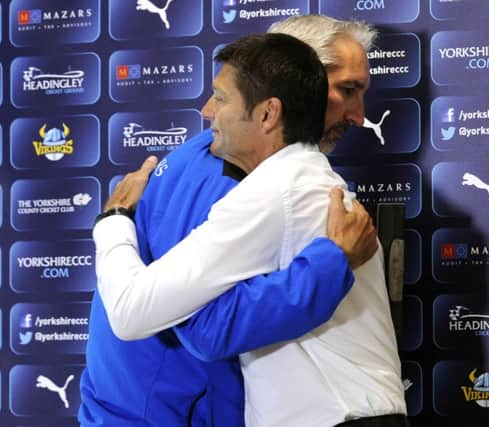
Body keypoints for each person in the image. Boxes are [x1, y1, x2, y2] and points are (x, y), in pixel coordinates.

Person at [79, 15, 386, 427]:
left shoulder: (253, 169)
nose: (358, 113)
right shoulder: (231, 170)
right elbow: (196, 322)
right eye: (346, 90)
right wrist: (331, 263)